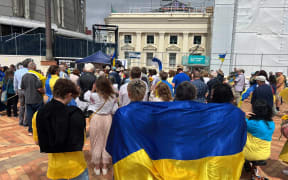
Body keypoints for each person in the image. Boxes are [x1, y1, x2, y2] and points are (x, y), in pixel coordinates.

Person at [33, 79, 88, 180]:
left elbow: (37, 141)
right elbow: (81, 141)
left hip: (55, 168)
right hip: (76, 166)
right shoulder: (76, 114)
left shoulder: (38, 114)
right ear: (68, 94)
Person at [84, 76, 118, 176]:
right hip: (108, 119)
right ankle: (104, 166)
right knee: (106, 142)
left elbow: (86, 96)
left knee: (95, 142)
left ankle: (97, 166)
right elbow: (114, 110)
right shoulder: (113, 97)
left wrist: (92, 89)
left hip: (96, 118)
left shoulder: (93, 96)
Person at [243, 100, 275, 177]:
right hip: (265, 154)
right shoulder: (271, 124)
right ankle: (255, 170)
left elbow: (238, 120)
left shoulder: (252, 124)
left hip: (250, 154)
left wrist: (243, 115)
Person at [21, 62, 44, 135]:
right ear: (34, 67)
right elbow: (39, 88)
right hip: (37, 98)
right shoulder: (37, 76)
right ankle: (37, 130)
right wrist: (45, 91)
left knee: (30, 115)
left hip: (28, 98)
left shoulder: (24, 76)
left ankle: (30, 130)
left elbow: (22, 87)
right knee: (38, 115)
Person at [14, 58, 32, 126]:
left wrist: (16, 91)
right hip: (27, 90)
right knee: (27, 106)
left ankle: (20, 121)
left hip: (19, 90)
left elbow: (15, 83)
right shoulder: (29, 71)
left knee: (22, 106)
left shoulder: (17, 71)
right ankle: (25, 122)